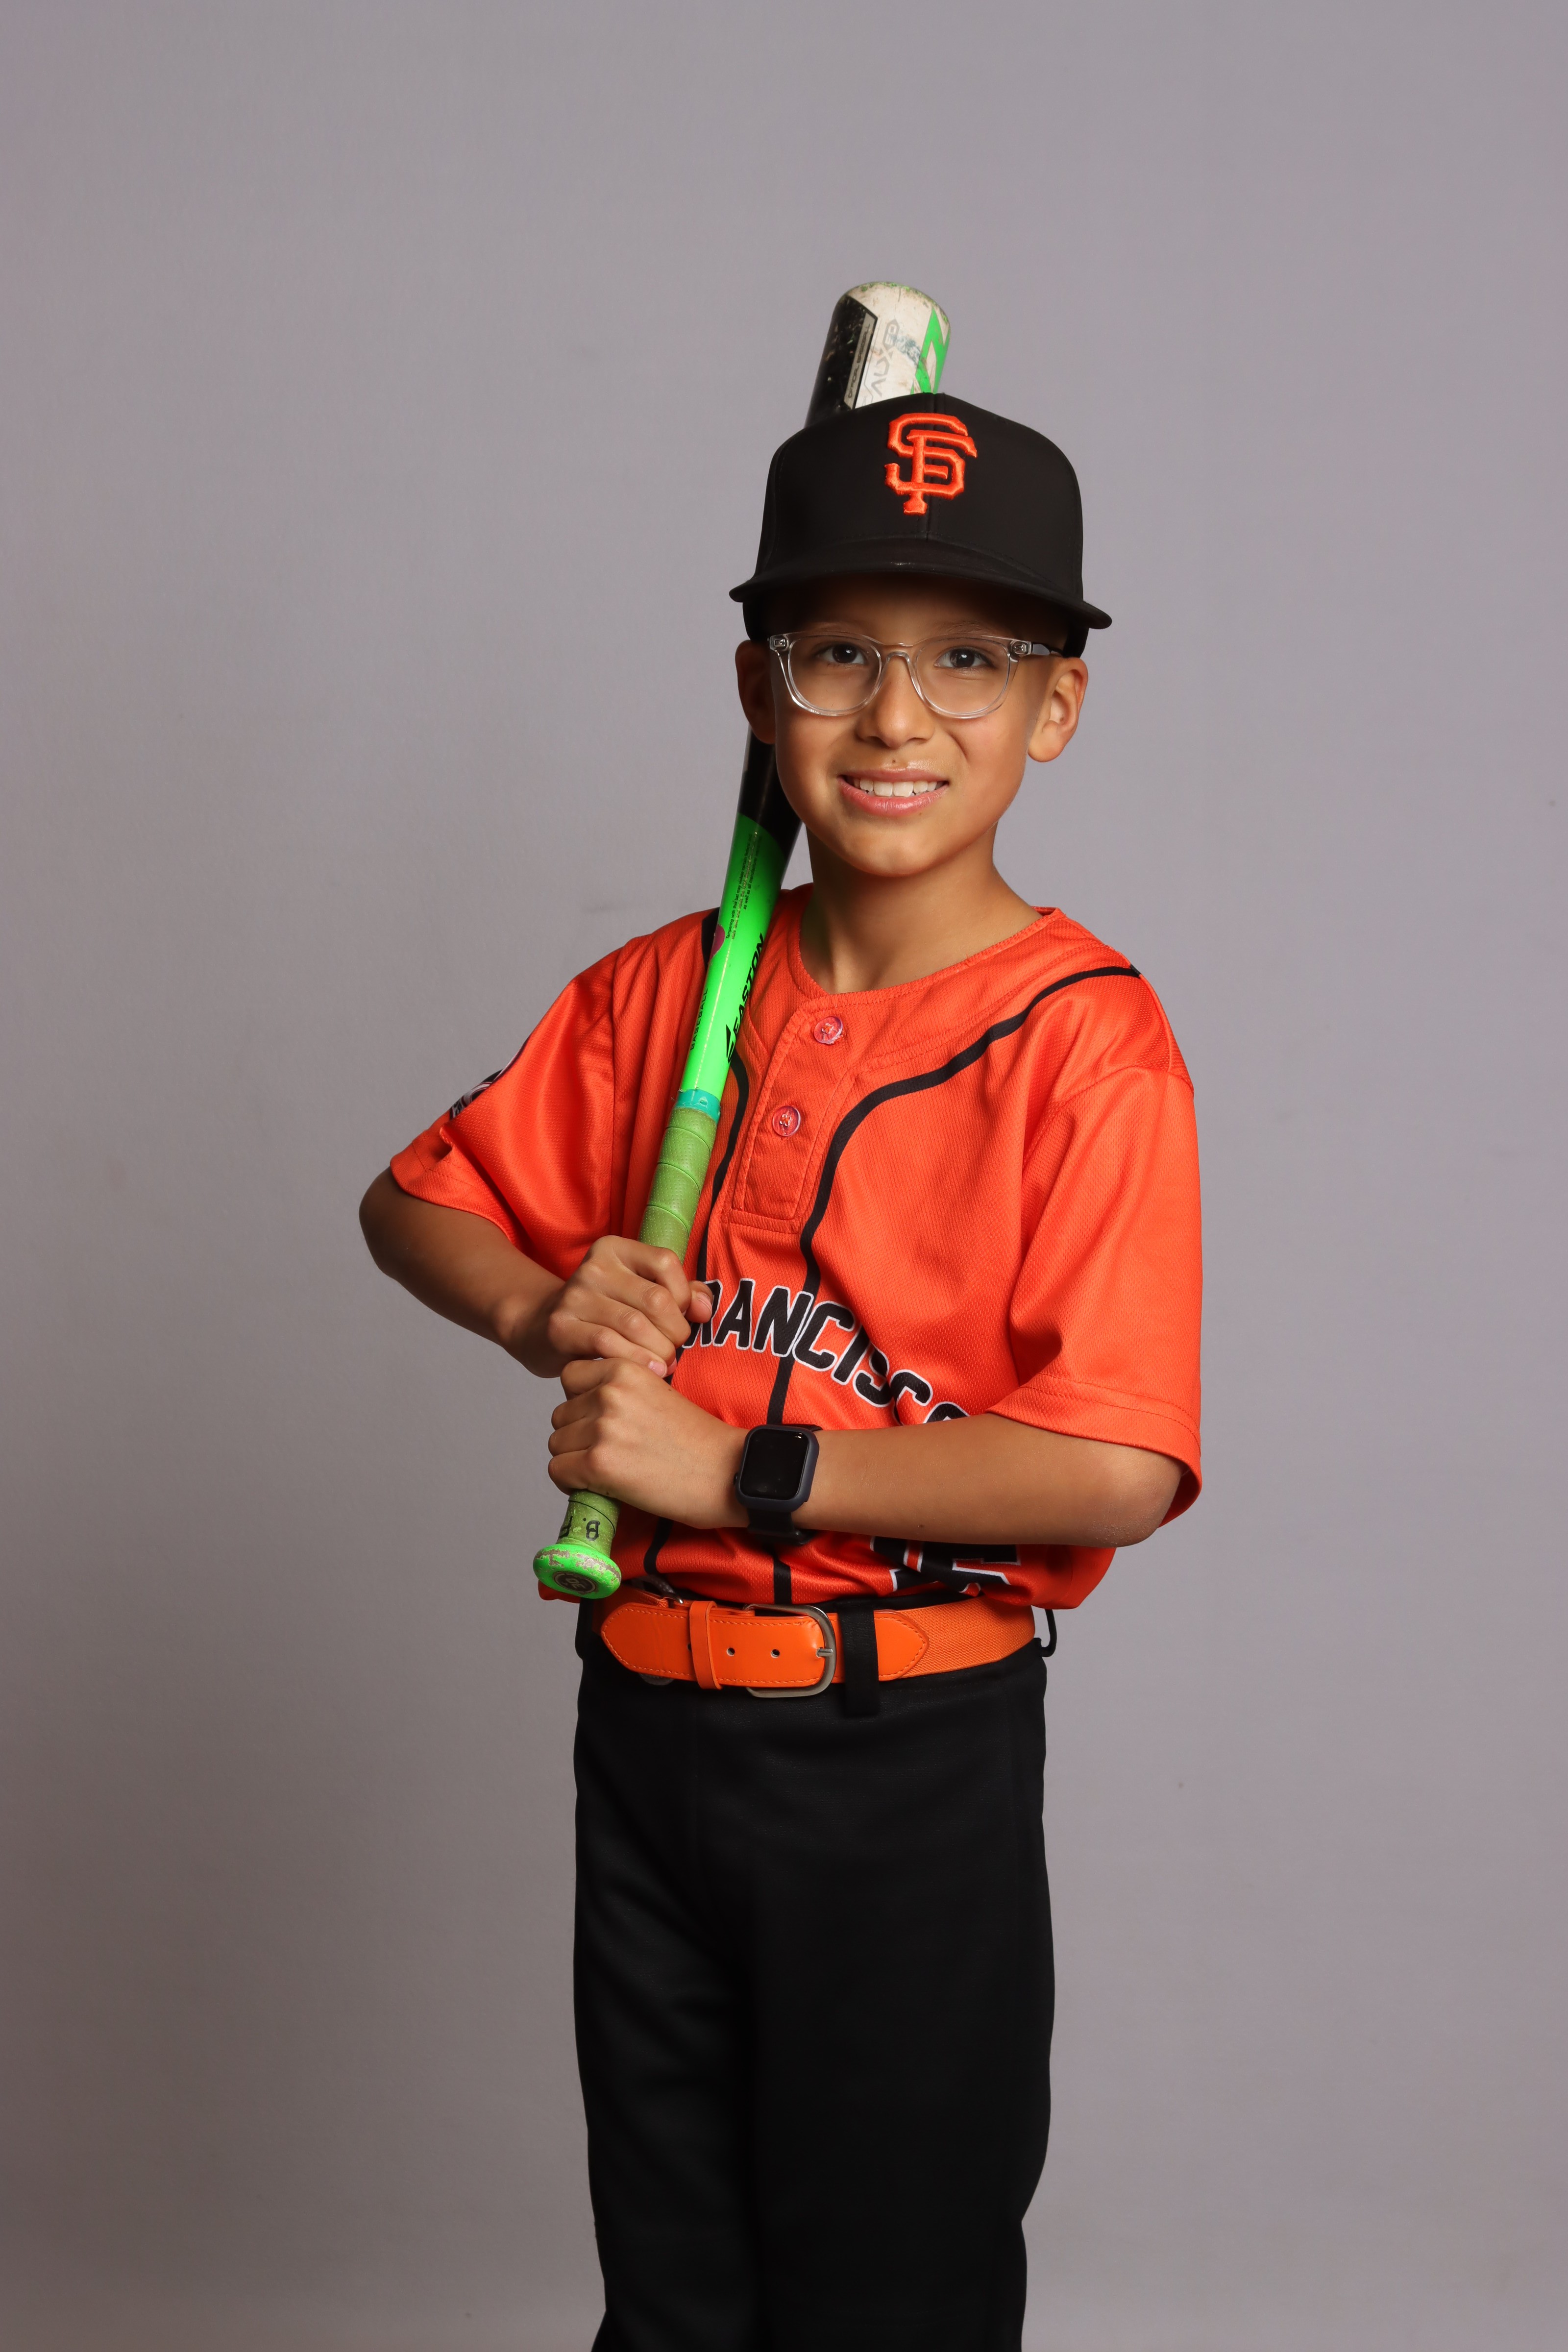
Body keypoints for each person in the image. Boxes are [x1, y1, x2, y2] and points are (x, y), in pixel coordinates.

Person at [360, 390, 1202, 2352]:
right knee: (672, 2298)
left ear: (1055, 708)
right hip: (648, 1725)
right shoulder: (669, 989)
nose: (897, 716)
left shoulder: (1086, 1039)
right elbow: (415, 1205)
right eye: (838, 655)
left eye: (968, 660)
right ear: (760, 691)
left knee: (882, 2299)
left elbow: (1113, 1468)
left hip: (898, 1747)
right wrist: (543, 1311)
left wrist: (743, 1467)